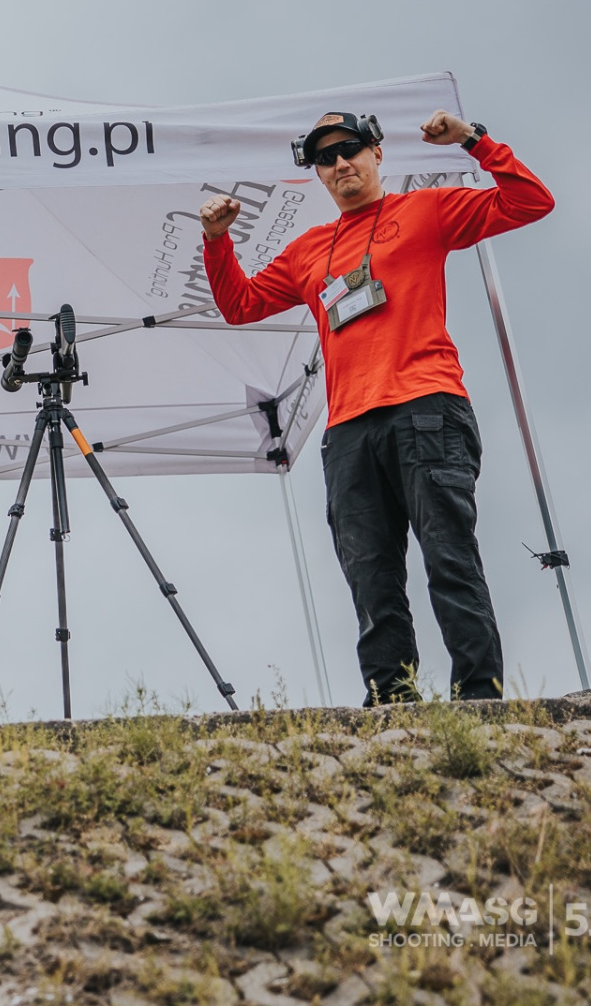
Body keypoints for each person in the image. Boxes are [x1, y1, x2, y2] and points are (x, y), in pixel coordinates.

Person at [199, 110, 554, 704]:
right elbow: (240, 305)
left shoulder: (427, 210)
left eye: (351, 150)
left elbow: (529, 201)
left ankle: (479, 697)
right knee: (370, 575)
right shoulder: (309, 249)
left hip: (426, 406)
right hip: (349, 431)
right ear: (317, 173)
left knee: (449, 557)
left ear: (377, 154)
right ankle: (391, 699)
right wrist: (216, 240)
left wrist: (473, 141)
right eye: (326, 158)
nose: (340, 164)